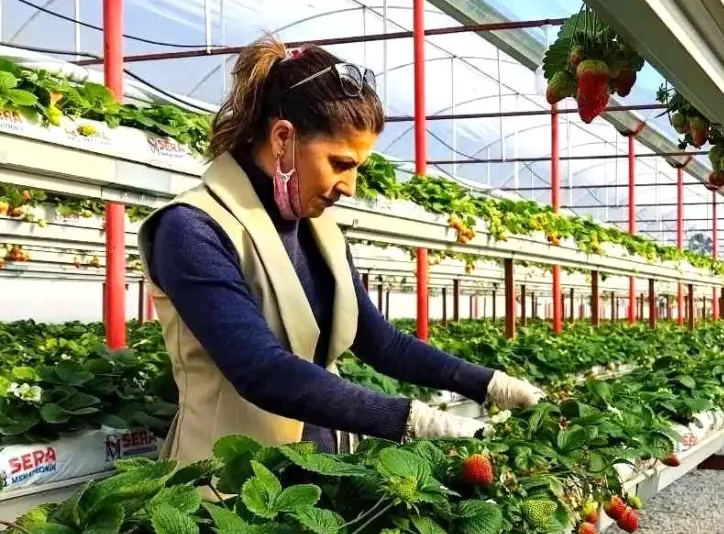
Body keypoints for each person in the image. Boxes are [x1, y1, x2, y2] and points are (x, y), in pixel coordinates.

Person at [140, 36, 543, 461]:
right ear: (282, 138)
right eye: (340, 163)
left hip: (323, 471)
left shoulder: (320, 231)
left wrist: (489, 384)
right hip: (225, 485)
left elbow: (380, 342)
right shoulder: (193, 228)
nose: (350, 188)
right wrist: (408, 418)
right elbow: (260, 369)